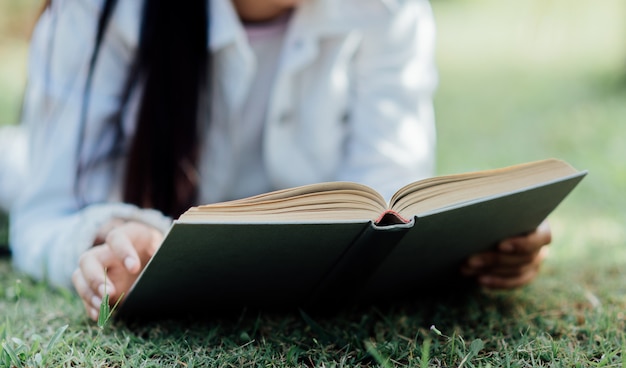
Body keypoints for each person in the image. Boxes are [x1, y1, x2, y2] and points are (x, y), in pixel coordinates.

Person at [7, 0, 551, 321]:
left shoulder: (388, 10)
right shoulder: (98, 12)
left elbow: (393, 199)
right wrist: (106, 236)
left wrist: (472, 246)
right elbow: (46, 211)